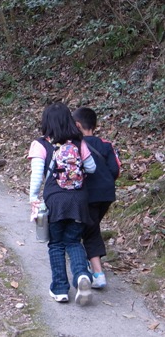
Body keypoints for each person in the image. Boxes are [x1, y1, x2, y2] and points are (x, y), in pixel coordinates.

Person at [27, 102, 96, 305]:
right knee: (74, 242)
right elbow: (91, 168)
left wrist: (33, 198)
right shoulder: (79, 142)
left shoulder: (40, 145)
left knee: (56, 244)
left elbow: (37, 175)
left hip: (55, 201)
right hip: (79, 200)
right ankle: (82, 275)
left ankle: (60, 290)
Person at [72, 107, 121, 289]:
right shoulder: (106, 144)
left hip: (88, 194)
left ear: (77, 125)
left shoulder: (77, 145)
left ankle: (96, 273)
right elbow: (115, 170)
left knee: (88, 230)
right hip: (107, 194)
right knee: (92, 226)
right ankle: (91, 266)